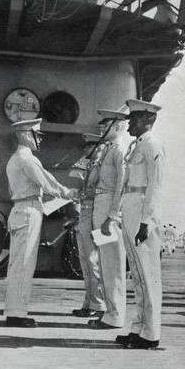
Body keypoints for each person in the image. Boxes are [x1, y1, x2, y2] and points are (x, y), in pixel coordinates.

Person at [4, 119, 78, 327]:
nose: (40, 139)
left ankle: (13, 311)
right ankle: (17, 314)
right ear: (26, 135)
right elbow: (47, 181)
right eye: (37, 134)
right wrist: (68, 192)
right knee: (25, 264)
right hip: (28, 210)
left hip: (19, 209)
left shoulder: (13, 159)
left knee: (17, 264)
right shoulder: (27, 158)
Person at [115, 99, 165, 350]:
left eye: (134, 118)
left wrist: (147, 221)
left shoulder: (153, 145)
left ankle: (151, 332)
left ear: (149, 119)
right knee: (137, 274)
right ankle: (139, 328)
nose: (130, 123)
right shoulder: (138, 146)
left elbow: (155, 186)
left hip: (142, 213)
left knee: (148, 275)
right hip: (131, 210)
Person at [88, 109, 128, 329]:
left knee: (113, 266)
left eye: (106, 125)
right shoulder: (108, 150)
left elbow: (121, 185)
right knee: (105, 264)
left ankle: (115, 315)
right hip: (100, 208)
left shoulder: (120, 150)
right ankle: (110, 312)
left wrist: (112, 216)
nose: (101, 129)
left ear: (118, 127)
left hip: (108, 214)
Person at [71, 134, 106, 318]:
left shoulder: (102, 168)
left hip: (94, 215)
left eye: (88, 146)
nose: (85, 150)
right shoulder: (90, 166)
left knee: (94, 261)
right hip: (84, 215)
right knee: (85, 261)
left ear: (97, 147)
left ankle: (99, 304)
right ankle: (89, 302)